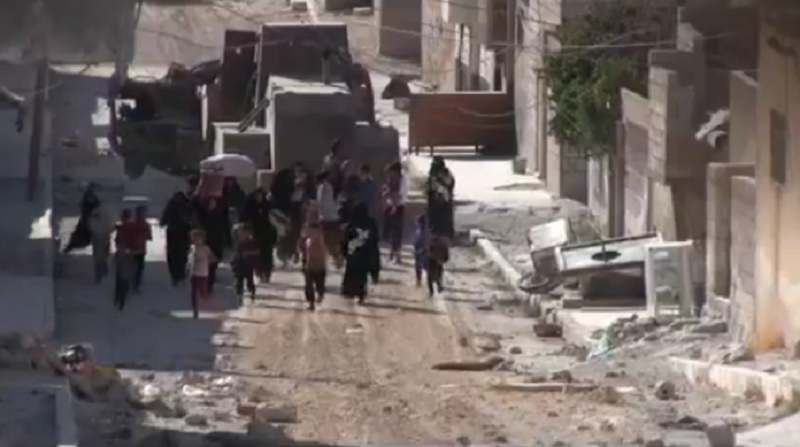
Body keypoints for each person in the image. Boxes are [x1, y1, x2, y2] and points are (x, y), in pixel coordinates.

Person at [340, 202, 379, 304]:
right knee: (362, 276)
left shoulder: (351, 224)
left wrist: (344, 252)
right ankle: (360, 294)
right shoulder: (371, 223)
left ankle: (352, 292)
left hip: (353, 254)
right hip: (365, 254)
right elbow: (374, 239)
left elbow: (344, 239)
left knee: (352, 273)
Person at [240, 188, 277, 283]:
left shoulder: (268, 206)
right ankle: (259, 272)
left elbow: (274, 219)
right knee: (256, 254)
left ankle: (267, 272)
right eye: (257, 195)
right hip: (255, 233)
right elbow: (244, 218)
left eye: (260, 195)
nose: (259, 197)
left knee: (267, 253)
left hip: (267, 233)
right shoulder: (250, 206)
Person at [194, 197, 229, 292]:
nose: (211, 205)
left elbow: (225, 227)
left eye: (213, 203)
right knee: (205, 265)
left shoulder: (220, 215)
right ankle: (205, 286)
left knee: (213, 264)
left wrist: (227, 241)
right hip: (206, 243)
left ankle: (209, 285)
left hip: (217, 242)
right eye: (210, 203)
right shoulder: (203, 214)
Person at [160, 189, 193, 286]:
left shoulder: (173, 205)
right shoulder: (184, 205)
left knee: (176, 255)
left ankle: (176, 274)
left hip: (177, 233)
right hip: (179, 233)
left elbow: (164, 219)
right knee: (179, 254)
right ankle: (178, 274)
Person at [299, 214, 328, 311]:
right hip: (312, 263)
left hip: (316, 263)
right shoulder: (309, 235)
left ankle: (316, 297)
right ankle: (313, 301)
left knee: (315, 283)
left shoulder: (317, 236)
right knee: (311, 284)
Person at [382, 162, 408, 264]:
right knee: (390, 232)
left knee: (397, 231)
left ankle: (397, 254)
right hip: (390, 206)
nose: (389, 175)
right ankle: (392, 253)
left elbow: (400, 195)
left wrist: (389, 195)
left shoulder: (402, 181)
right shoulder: (391, 180)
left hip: (398, 206)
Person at [64, 183, 101, 253]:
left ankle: (70, 247)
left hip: (87, 219)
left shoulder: (89, 199)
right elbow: (96, 205)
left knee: (82, 230)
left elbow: (95, 205)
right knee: (83, 230)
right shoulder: (90, 199)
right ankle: (70, 246)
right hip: (88, 219)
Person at [316, 171, 343, 268]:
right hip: (327, 217)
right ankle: (336, 258)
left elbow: (325, 204)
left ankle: (337, 258)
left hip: (329, 217)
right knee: (329, 241)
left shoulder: (326, 188)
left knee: (330, 240)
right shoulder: (322, 188)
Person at [187, 229, 216, 319]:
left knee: (202, 291)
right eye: (193, 239)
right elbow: (189, 259)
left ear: (202, 239)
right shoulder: (192, 248)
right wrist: (188, 266)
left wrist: (208, 262)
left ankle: (205, 299)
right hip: (194, 272)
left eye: (197, 239)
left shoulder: (206, 249)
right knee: (193, 292)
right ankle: (195, 309)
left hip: (203, 272)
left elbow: (213, 258)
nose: (195, 241)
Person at [426, 156, 456, 238]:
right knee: (435, 215)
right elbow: (430, 184)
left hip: (444, 197)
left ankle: (446, 233)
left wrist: (441, 185)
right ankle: (435, 232)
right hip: (434, 197)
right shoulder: (432, 172)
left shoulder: (445, 172)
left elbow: (449, 183)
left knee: (445, 216)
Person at [113, 209, 136, 310]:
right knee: (124, 276)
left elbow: (117, 241)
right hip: (127, 254)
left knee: (121, 276)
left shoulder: (122, 228)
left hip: (124, 254)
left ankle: (120, 297)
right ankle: (121, 296)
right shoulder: (129, 227)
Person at [231, 223, 259, 304]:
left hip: (248, 266)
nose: (242, 234)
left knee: (249, 281)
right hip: (239, 265)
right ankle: (239, 296)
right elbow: (236, 254)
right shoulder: (237, 242)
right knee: (239, 282)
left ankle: (252, 293)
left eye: (245, 233)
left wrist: (249, 254)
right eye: (241, 232)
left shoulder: (252, 242)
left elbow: (257, 252)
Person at [130, 206, 152, 294]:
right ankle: (136, 285)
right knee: (139, 268)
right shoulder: (145, 225)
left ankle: (133, 283)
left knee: (134, 267)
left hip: (133, 249)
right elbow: (149, 237)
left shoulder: (132, 224)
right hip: (140, 249)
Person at [87, 205, 112, 284]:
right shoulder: (98, 221)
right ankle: (100, 273)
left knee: (100, 258)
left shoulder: (93, 221)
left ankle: (100, 273)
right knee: (100, 258)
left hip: (101, 241)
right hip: (100, 241)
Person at [413, 214, 429, 288]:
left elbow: (425, 241)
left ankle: (427, 282)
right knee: (419, 267)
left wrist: (422, 249)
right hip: (419, 250)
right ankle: (419, 281)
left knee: (423, 266)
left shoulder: (423, 231)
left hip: (422, 251)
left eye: (417, 221)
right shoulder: (419, 229)